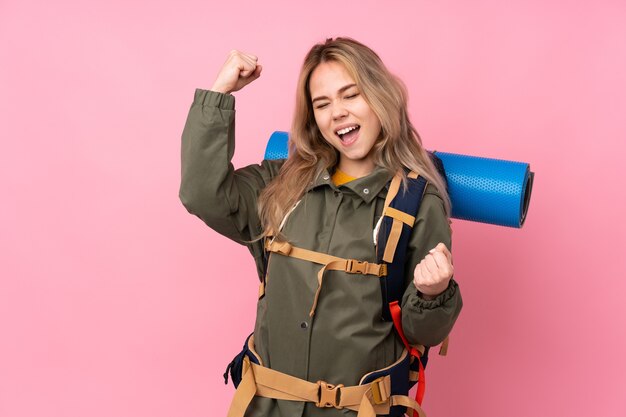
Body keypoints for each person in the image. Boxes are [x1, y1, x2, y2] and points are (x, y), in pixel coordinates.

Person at [179, 37, 462, 417]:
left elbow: (422, 333)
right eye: (322, 104)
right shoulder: (281, 183)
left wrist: (434, 293)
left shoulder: (416, 202)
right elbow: (202, 194)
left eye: (351, 95)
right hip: (267, 407)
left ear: (380, 97)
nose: (338, 113)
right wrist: (220, 93)